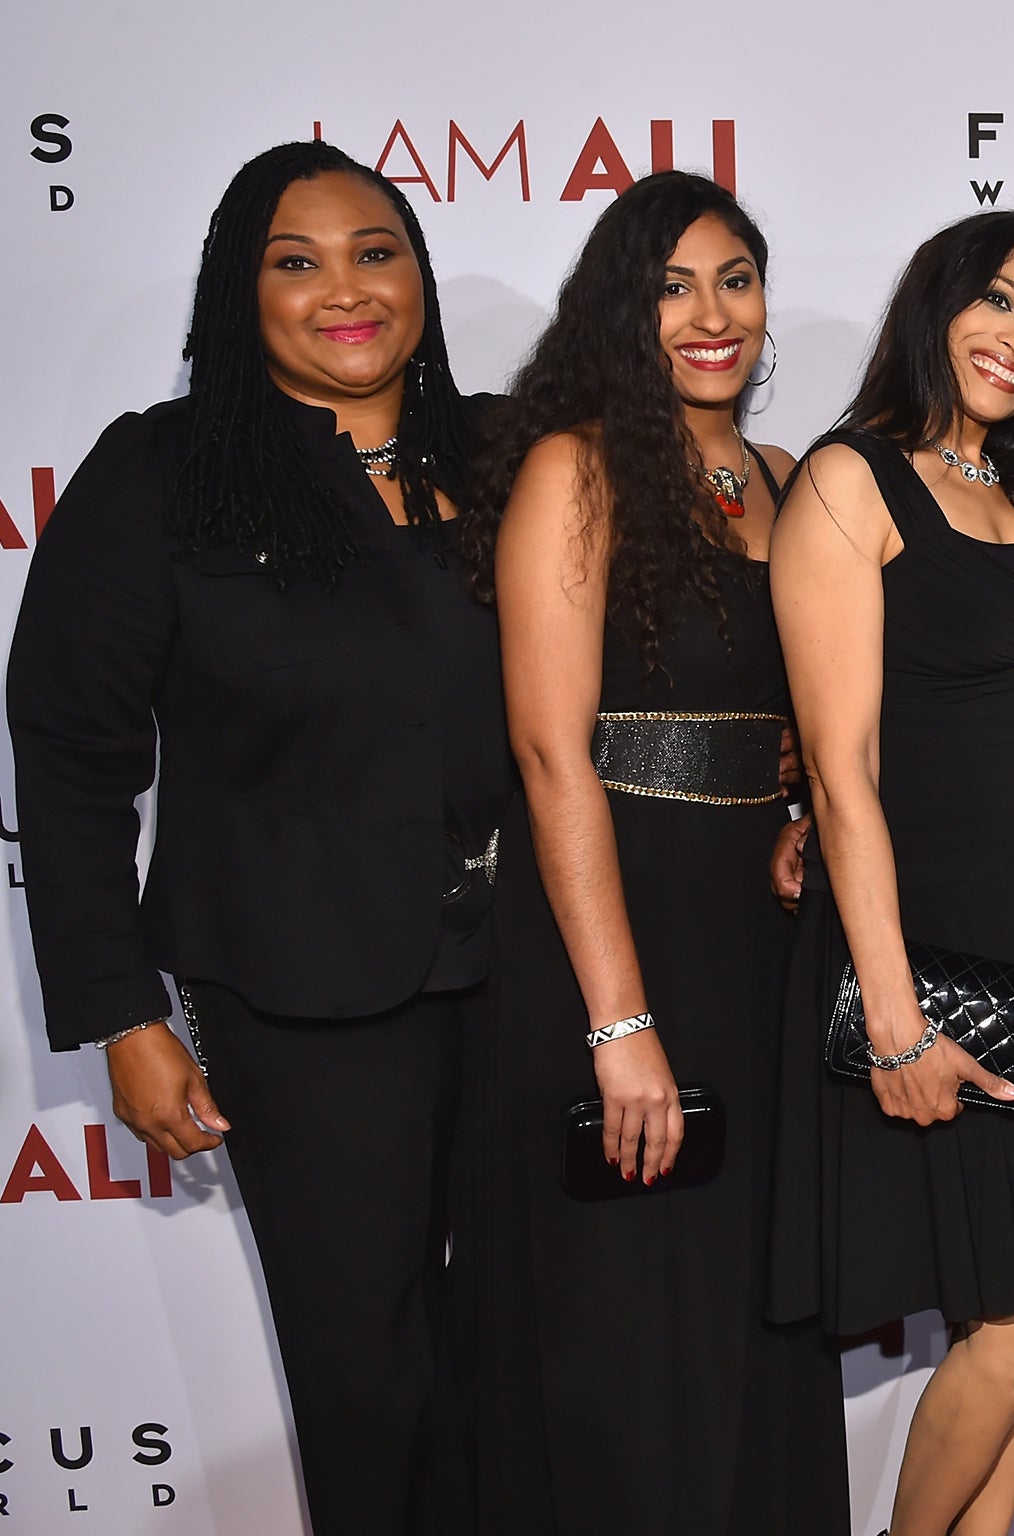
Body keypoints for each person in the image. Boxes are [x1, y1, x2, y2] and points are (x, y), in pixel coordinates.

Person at [8, 140, 504, 1533]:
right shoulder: (164, 475)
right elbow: (71, 757)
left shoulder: (516, 451)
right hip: (304, 987)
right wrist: (122, 1013)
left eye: (375, 251)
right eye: (297, 261)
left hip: (539, 982)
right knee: (368, 1372)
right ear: (242, 290)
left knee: (524, 1355)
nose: (344, 289)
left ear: (417, 274)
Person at [456, 169, 847, 1535]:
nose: (710, 313)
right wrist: (620, 1021)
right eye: (673, 285)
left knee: (747, 1305)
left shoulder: (786, 477)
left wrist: (797, 808)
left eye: (734, 278)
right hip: (610, 931)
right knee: (625, 1327)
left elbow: (811, 714)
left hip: (757, 941)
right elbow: (556, 754)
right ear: (622, 309)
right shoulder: (576, 469)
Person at [767, 209, 1014, 1536]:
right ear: (935, 304)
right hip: (929, 941)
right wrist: (893, 1010)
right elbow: (843, 772)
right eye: (999, 302)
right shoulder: (847, 482)